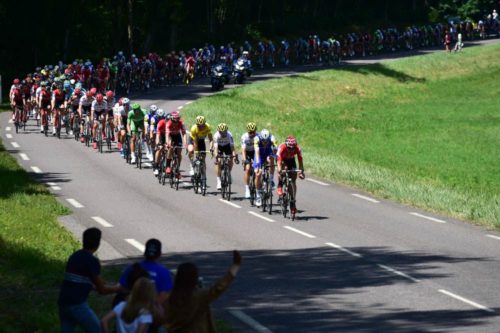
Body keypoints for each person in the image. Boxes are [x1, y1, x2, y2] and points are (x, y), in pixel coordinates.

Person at [58, 227, 122, 333]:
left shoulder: (75, 256)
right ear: (98, 244)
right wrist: (118, 289)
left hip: (63, 303)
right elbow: (102, 289)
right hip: (77, 304)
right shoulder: (92, 261)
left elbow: (81, 280)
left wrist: (101, 285)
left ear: (83, 241)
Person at [163, 250, 242, 333]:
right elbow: (219, 287)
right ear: (194, 278)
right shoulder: (200, 296)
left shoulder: (169, 298)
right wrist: (236, 265)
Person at [118, 238, 173, 331]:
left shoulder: (133, 268)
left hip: (130, 310)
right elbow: (163, 297)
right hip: (150, 314)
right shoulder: (163, 272)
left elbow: (122, 288)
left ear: (145, 252)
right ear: (159, 254)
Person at [276, 136, 305, 214]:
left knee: (293, 179)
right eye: (289, 148)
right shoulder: (282, 148)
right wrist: (279, 170)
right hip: (283, 160)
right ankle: (280, 185)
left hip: (291, 161)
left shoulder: (298, 149)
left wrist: (301, 172)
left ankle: (292, 201)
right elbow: (278, 161)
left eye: (293, 148)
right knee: (283, 169)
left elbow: (300, 161)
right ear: (286, 145)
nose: (291, 150)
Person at [253, 129, 277, 207]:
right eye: (263, 141)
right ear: (261, 138)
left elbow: (275, 149)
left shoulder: (272, 138)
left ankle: (270, 179)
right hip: (259, 154)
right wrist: (258, 165)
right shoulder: (257, 139)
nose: (265, 143)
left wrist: (274, 157)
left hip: (268, 152)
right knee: (258, 173)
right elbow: (256, 152)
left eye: (267, 141)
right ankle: (258, 195)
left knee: (271, 160)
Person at [213, 123, 238, 190]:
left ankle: (229, 172)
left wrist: (234, 156)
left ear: (227, 131)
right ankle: (218, 180)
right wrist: (216, 156)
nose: (223, 134)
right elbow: (215, 149)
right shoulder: (216, 135)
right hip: (219, 147)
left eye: (224, 132)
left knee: (230, 159)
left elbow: (232, 147)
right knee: (218, 161)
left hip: (227, 146)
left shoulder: (229, 135)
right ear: (219, 131)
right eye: (221, 132)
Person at [241, 122, 258, 198]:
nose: (251, 134)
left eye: (253, 132)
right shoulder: (244, 137)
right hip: (247, 152)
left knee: (257, 170)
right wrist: (244, 160)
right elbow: (243, 150)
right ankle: (247, 189)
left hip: (255, 152)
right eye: (250, 132)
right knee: (247, 169)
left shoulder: (258, 136)